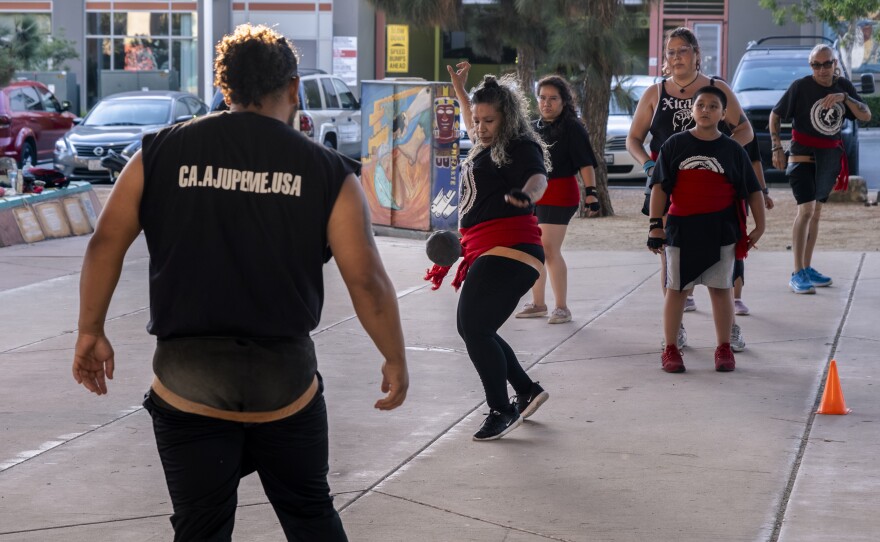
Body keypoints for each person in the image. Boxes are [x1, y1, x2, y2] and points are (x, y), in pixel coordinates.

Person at [71, 24, 408, 541]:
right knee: (310, 515)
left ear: (223, 86)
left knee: (200, 528)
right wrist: (394, 356)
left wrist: (90, 328)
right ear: (294, 88)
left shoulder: (158, 153)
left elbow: (105, 242)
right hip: (285, 383)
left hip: (189, 381)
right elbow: (366, 279)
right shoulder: (327, 171)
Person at [426, 61, 550, 441]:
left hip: (512, 246)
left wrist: (527, 195)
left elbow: (538, 177)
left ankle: (501, 408)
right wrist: (462, 92)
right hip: (490, 249)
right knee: (476, 328)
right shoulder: (485, 143)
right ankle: (527, 390)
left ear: (507, 120)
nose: (478, 127)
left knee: (474, 327)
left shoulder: (517, 146)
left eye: (487, 121)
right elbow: (472, 115)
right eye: (476, 120)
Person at [627, 26, 754, 351]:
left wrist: (725, 157)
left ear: (697, 54)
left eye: (682, 50)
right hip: (668, 190)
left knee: (725, 257)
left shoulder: (716, 88)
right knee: (670, 259)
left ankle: (730, 330)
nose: (675, 57)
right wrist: (649, 165)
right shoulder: (655, 92)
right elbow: (634, 139)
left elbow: (745, 132)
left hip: (713, 188)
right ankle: (676, 327)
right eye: (670, 52)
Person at [647, 85, 765, 373]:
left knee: (721, 289)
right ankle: (671, 348)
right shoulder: (674, 144)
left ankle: (724, 347)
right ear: (692, 110)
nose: (706, 110)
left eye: (714, 106)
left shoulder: (733, 149)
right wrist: (654, 226)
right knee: (676, 289)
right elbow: (660, 187)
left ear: (724, 114)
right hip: (680, 229)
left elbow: (753, 190)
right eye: (701, 105)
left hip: (720, 229)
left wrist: (759, 227)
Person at [769, 44, 872, 294]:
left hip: (829, 156)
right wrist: (776, 148)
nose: (822, 69)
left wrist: (844, 98)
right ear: (811, 66)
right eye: (817, 64)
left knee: (816, 213)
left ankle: (807, 266)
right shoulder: (801, 87)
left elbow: (866, 115)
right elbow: (775, 114)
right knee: (805, 210)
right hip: (802, 154)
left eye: (827, 63)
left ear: (835, 63)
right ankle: (796, 273)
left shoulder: (843, 86)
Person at [515, 75, 598, 324]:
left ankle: (562, 307)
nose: (546, 103)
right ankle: (538, 303)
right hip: (534, 193)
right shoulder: (531, 125)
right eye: (542, 97)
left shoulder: (572, 126)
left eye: (553, 98)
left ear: (564, 101)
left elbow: (586, 163)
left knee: (549, 249)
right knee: (534, 250)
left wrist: (591, 194)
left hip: (561, 191)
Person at [732, 138, 775, 318]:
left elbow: (755, 161)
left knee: (736, 243)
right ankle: (689, 293)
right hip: (704, 193)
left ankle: (736, 297)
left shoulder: (745, 131)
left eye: (714, 106)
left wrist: (763, 192)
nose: (707, 109)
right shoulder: (697, 125)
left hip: (737, 193)